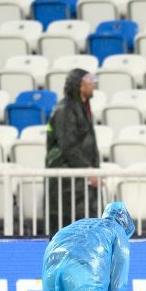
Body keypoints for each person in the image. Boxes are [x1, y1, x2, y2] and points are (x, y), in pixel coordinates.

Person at [46, 67, 101, 234]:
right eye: (89, 81)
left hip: (79, 178)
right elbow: (68, 145)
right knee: (68, 225)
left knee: (84, 225)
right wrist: (88, 170)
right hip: (67, 180)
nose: (93, 85)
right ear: (79, 85)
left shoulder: (81, 108)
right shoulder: (65, 109)